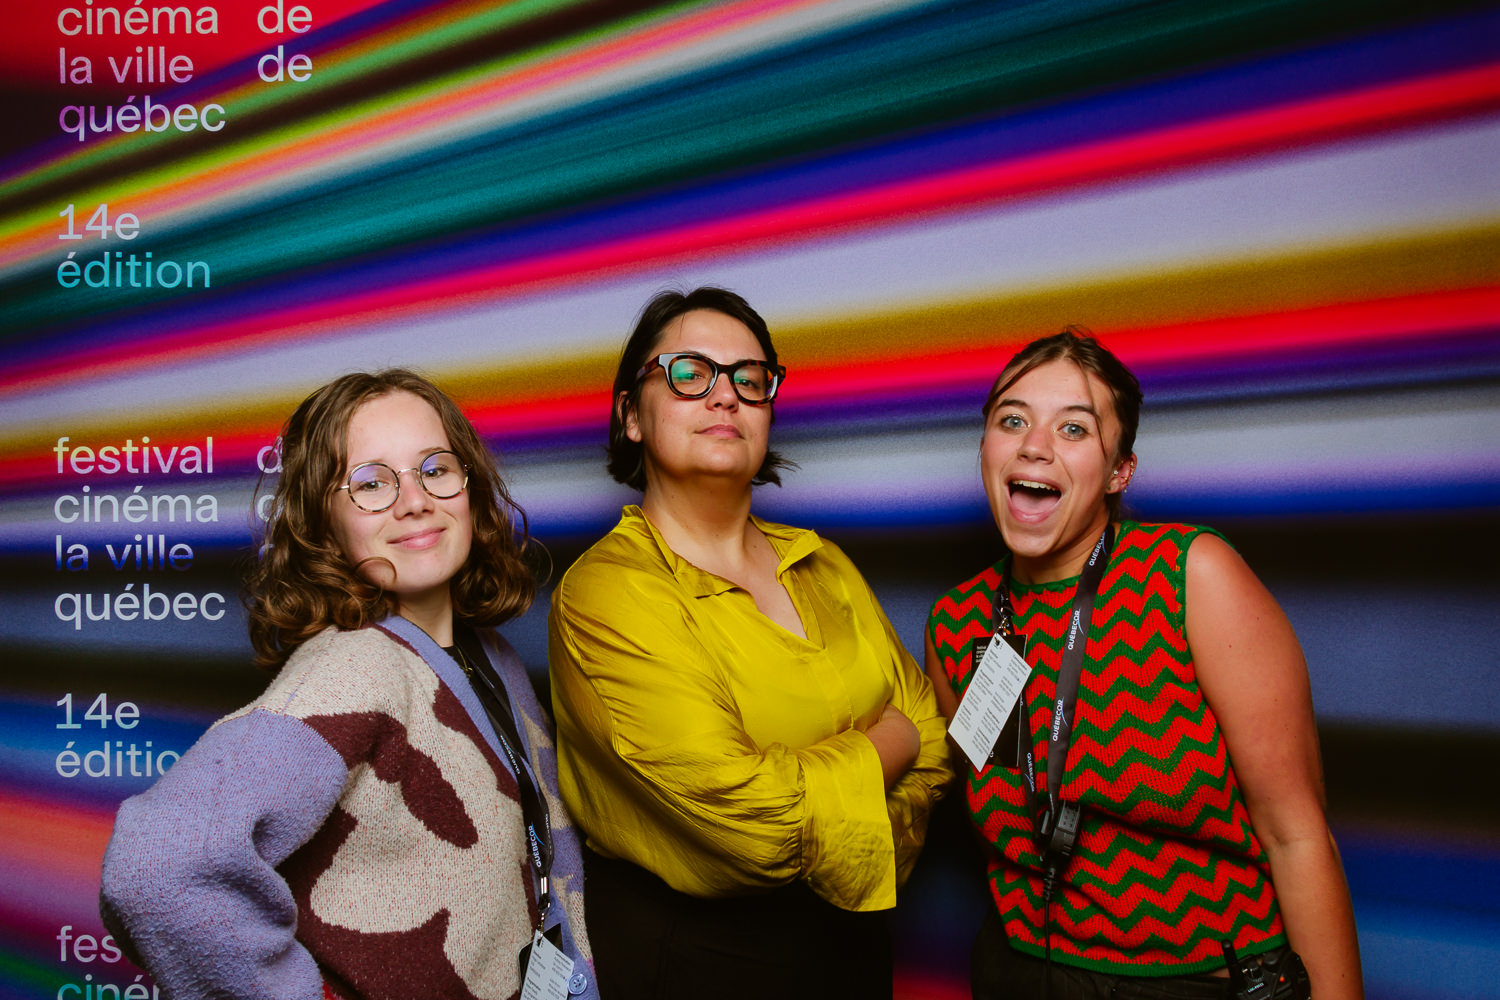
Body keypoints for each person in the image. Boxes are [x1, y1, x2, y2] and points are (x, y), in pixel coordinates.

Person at [99, 369, 596, 1000]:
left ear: (470, 485)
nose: (414, 500)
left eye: (436, 469)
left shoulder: (492, 656)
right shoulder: (354, 667)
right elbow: (155, 868)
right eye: (370, 484)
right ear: (322, 520)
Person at [925, 329, 1363, 1000]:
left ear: (1119, 471)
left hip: (1198, 983)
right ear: (984, 446)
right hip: (1021, 971)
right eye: (1012, 420)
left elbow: (1296, 835)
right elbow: (994, 807)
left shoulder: (1191, 577)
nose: (1034, 445)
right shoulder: (958, 623)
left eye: (1074, 428)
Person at [548, 287, 953, 999]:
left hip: (856, 952)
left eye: (750, 377)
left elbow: (936, 743)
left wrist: (844, 792)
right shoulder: (606, 593)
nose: (725, 395)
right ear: (630, 415)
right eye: (689, 372)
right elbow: (754, 827)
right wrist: (889, 744)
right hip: (699, 965)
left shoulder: (823, 563)